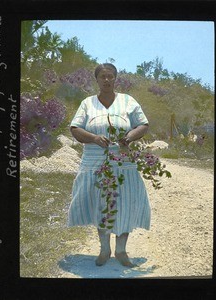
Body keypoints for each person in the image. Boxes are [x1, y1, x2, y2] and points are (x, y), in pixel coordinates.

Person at [67, 63, 151, 268]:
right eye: (102, 76)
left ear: (115, 79)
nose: (106, 80)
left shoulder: (128, 101)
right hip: (95, 161)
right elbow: (75, 128)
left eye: (110, 76)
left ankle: (121, 250)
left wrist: (128, 138)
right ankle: (105, 249)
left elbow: (143, 125)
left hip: (123, 161)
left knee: (125, 202)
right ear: (96, 80)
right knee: (101, 203)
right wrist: (94, 137)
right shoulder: (88, 103)